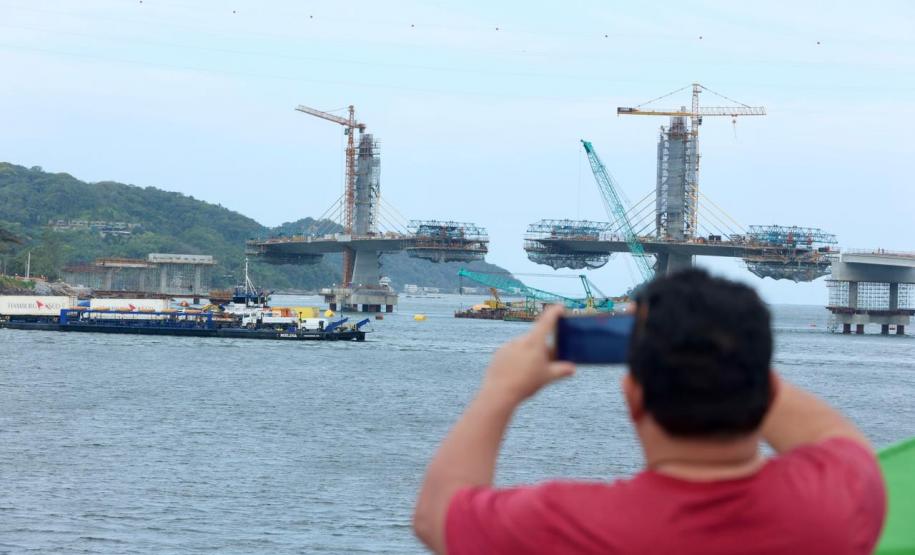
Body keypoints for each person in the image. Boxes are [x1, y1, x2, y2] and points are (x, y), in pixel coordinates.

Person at [413, 269, 886, 554]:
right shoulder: (838, 502)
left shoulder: (564, 525)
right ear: (766, 388)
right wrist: (722, 348)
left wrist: (500, 390)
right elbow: (833, 437)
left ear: (633, 397)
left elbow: (436, 515)